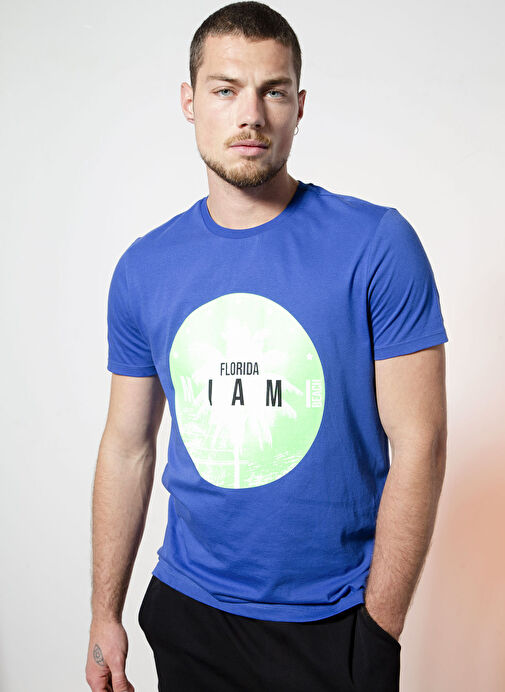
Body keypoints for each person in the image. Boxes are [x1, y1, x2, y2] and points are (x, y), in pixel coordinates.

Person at [85, 2, 449, 691]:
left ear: (299, 106)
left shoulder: (376, 244)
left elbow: (421, 444)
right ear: (190, 102)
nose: (249, 115)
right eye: (225, 90)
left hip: (335, 622)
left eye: (272, 91)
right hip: (189, 610)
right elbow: (127, 445)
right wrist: (105, 612)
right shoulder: (144, 267)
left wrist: (378, 627)